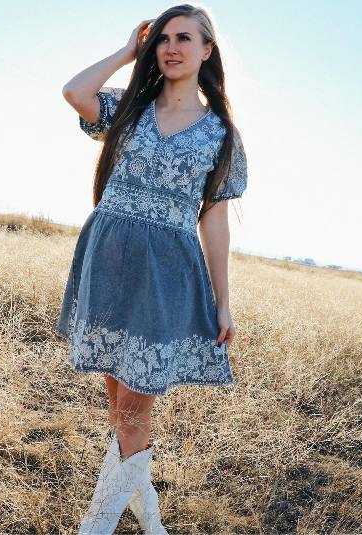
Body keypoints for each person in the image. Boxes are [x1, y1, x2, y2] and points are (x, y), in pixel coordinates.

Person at [56, 3, 248, 534]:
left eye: (184, 38)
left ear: (207, 50)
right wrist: (126, 52)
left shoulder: (220, 136)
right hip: (109, 259)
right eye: (162, 38)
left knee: (135, 411)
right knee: (121, 410)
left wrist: (222, 299)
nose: (171, 47)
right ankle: (152, 521)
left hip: (166, 273)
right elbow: (75, 93)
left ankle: (97, 525)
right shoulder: (127, 108)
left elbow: (214, 222)